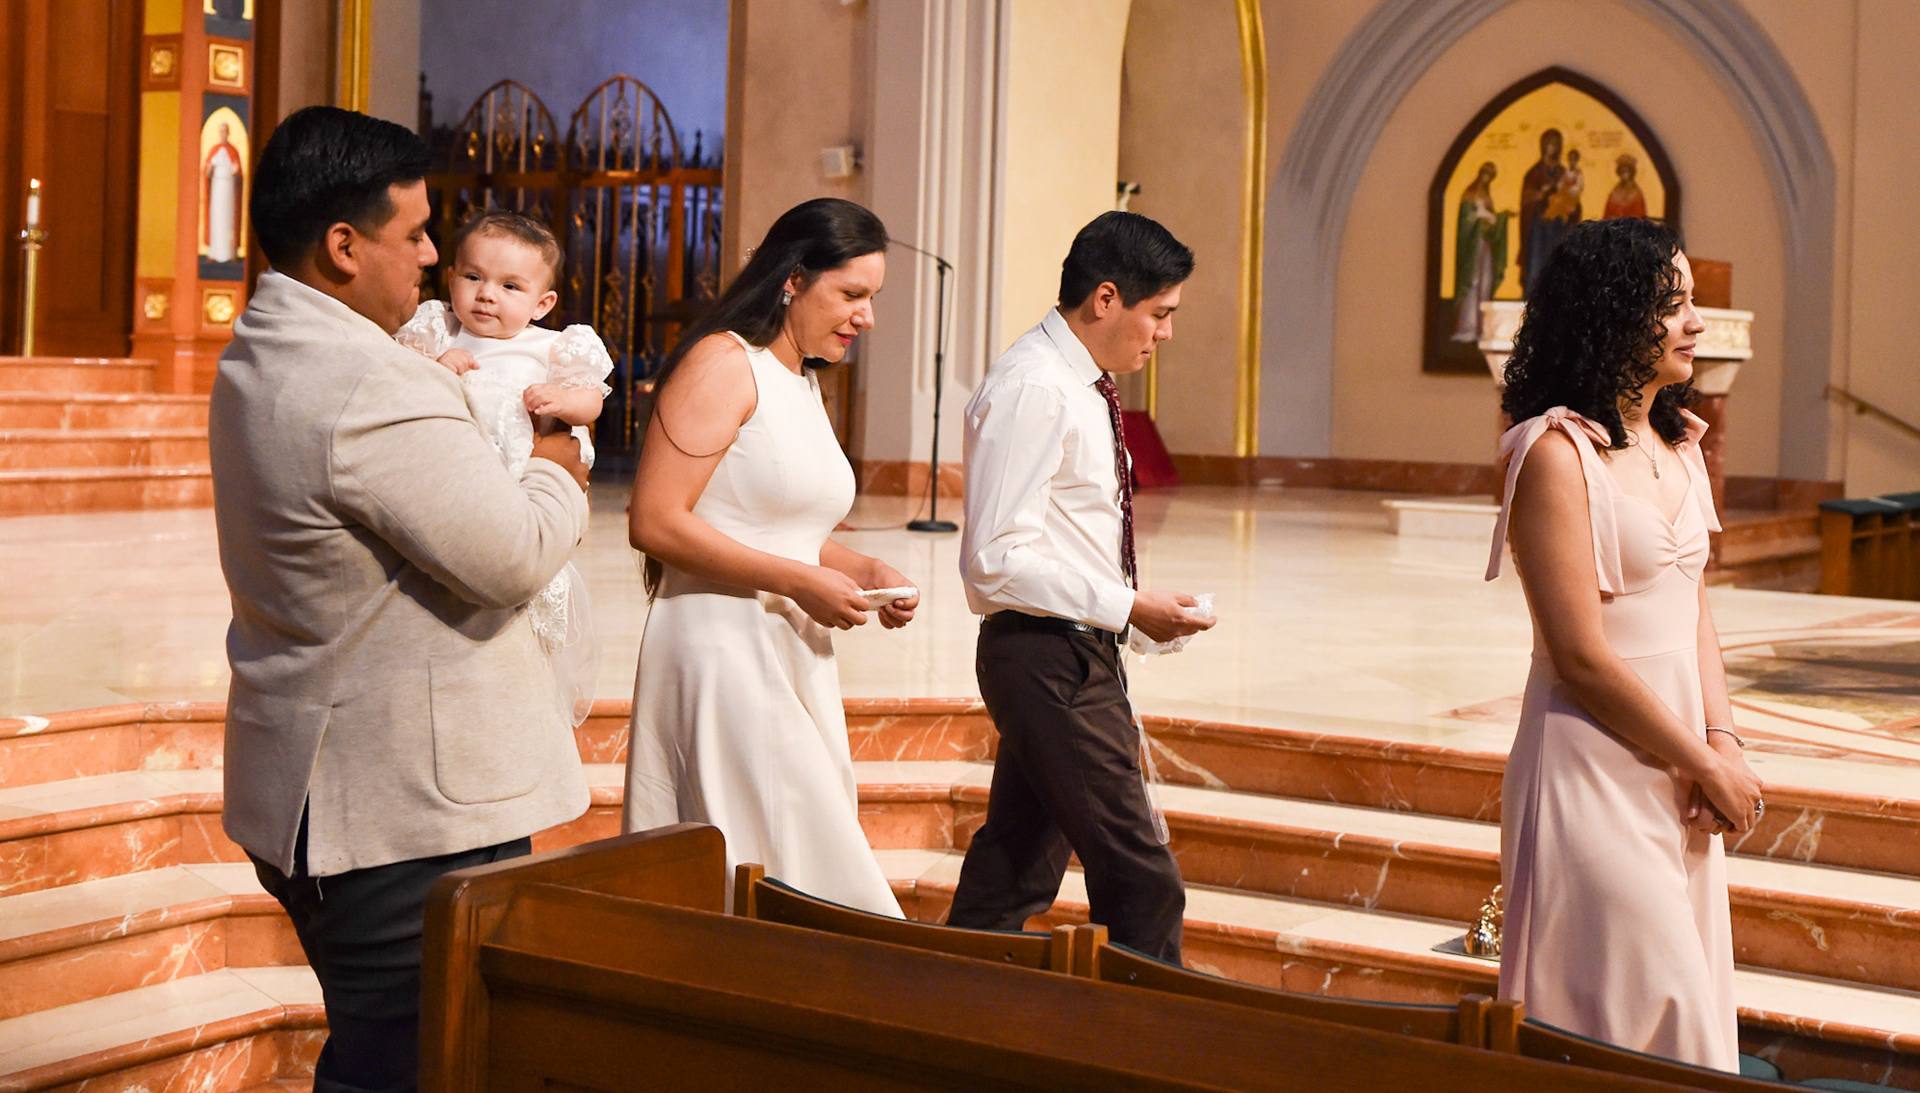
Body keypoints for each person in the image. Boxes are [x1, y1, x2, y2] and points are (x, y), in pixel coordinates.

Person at [209, 105, 592, 1093]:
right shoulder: (367, 380)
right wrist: (558, 457)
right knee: (412, 1068)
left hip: (333, 783)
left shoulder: (266, 343)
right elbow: (513, 555)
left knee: (396, 1059)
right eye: (416, 234)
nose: (431, 257)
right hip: (398, 814)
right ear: (344, 246)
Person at [1488, 217, 1762, 1071]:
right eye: (1673, 303)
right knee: (1633, 1012)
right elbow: (1578, 654)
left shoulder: (1678, 444)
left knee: (1688, 1013)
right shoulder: (1555, 455)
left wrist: (1722, 741)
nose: (1696, 322)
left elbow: (1693, 607)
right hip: (1592, 760)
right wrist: (1702, 759)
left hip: (1677, 756)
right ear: (1612, 312)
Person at [622, 197, 918, 916]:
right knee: (786, 867)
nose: (867, 318)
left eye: (872, 298)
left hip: (786, 644)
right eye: (851, 294)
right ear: (792, 278)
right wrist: (798, 581)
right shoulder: (723, 362)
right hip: (722, 647)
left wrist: (865, 571)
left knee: (795, 858)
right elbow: (654, 520)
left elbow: (778, 525)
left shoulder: (800, 376)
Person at [948, 211, 1214, 962]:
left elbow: (1067, 534)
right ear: (1105, 298)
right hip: (1044, 658)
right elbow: (994, 558)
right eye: (1159, 313)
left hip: (1067, 649)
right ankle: (1145, 1026)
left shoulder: (1077, 382)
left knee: (1015, 867)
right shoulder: (1035, 387)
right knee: (1142, 879)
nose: (1165, 333)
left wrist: (1131, 613)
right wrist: (1127, 606)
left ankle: (945, 1002)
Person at [395, 210, 612, 725]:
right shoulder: (439, 332)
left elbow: (592, 400)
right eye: (474, 277)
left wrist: (563, 400)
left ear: (543, 303)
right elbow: (400, 384)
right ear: (451, 277)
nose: (487, 295)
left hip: (521, 495)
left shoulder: (552, 346)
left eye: (510, 286)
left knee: (523, 613)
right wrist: (437, 370)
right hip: (449, 489)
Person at [1450, 161, 1512, 343]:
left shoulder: (1487, 198)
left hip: (1485, 249)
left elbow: (1492, 224)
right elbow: (1465, 223)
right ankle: (1467, 327)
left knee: (1485, 283)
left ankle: (1481, 329)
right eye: (1485, 174)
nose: (1486, 179)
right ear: (1479, 174)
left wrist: (1501, 217)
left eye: (1490, 177)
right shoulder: (1469, 196)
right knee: (1472, 283)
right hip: (1471, 251)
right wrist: (1479, 217)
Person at [1604, 153, 1649, 220]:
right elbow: (1606, 215)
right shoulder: (1614, 193)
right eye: (1622, 172)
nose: (1624, 174)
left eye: (1627, 171)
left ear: (1632, 173)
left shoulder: (1636, 194)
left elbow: (1639, 217)